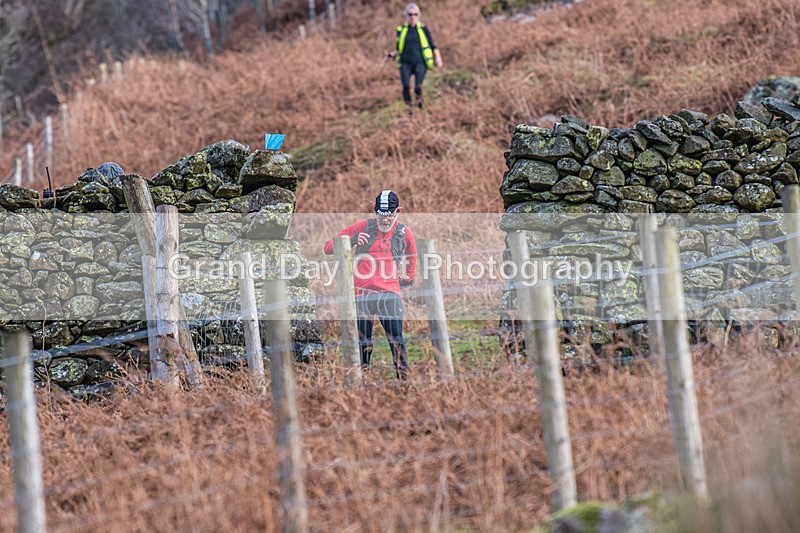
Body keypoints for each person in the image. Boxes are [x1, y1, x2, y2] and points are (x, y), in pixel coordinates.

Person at [323, 190, 417, 379]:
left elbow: (412, 254)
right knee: (362, 344)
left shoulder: (403, 232)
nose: (385, 220)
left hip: (389, 294)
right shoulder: (363, 226)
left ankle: (404, 384)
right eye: (381, 215)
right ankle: (361, 383)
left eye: (390, 215)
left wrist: (408, 277)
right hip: (361, 294)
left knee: (396, 340)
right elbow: (327, 248)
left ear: (398, 211)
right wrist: (352, 241)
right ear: (375, 210)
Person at [386, 3, 444, 109]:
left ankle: (420, 106)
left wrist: (438, 58)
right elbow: (399, 48)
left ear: (418, 15)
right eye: (410, 14)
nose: (412, 17)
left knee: (418, 87)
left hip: (420, 62)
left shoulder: (423, 29)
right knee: (406, 86)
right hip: (405, 62)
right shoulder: (401, 30)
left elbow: (433, 46)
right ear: (406, 16)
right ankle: (409, 108)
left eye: (415, 14)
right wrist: (392, 54)